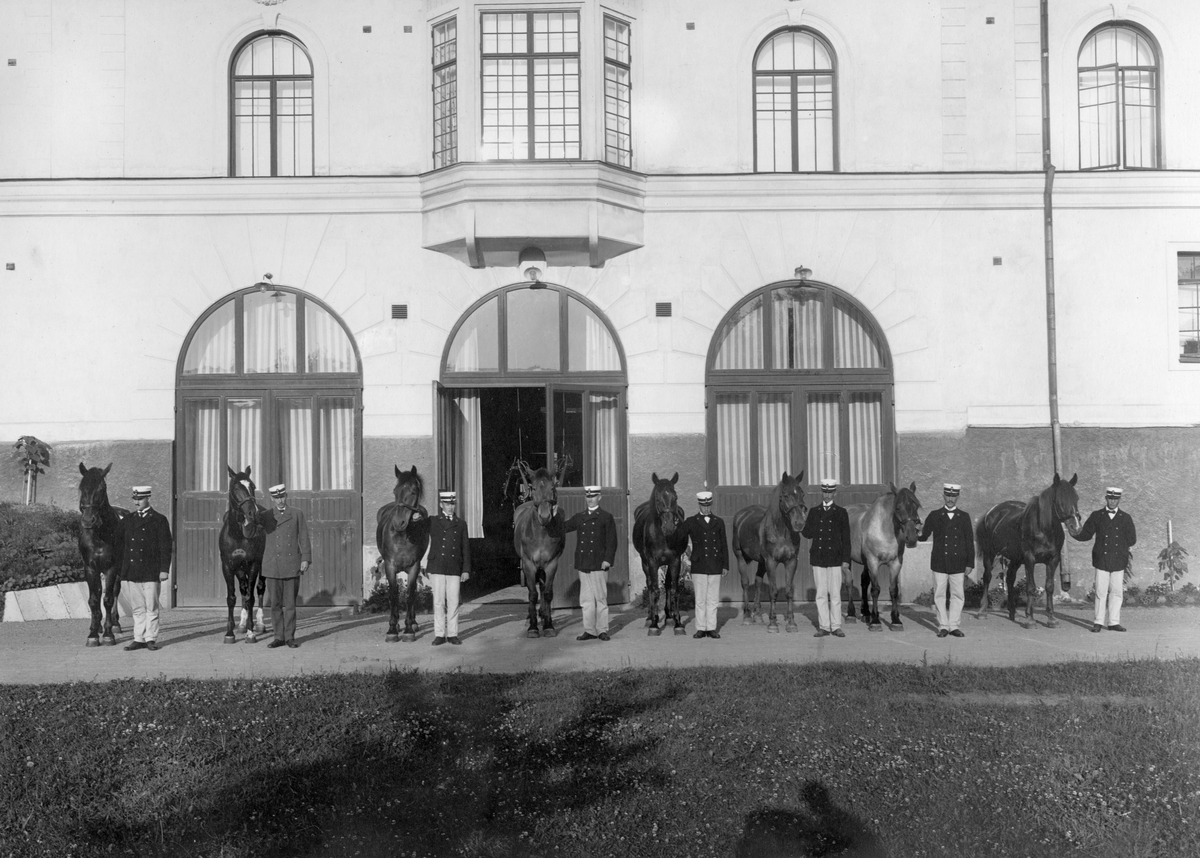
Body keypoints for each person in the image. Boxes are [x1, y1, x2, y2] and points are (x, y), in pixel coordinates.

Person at [1072, 487, 1136, 632]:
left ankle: (1113, 622)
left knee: (1117, 592)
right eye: (1110, 499)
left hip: (1119, 559)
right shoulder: (1097, 515)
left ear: (1119, 500)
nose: (1112, 502)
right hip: (1101, 559)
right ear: (1106, 499)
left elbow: (1132, 539)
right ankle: (1098, 622)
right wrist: (1074, 533)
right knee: (1100, 592)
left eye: (1115, 499)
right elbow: (1086, 534)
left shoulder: (1126, 518)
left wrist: (1120, 547)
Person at [119, 486, 172, 651]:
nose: (137, 502)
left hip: (151, 570)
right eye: (135, 499)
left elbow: (166, 546)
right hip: (133, 570)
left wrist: (164, 569)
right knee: (137, 608)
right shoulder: (128, 520)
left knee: (151, 607)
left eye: (140, 499)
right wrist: (122, 569)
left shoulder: (159, 519)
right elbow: (120, 545)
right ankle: (139, 638)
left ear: (148, 498)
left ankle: (150, 638)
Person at [918, 483, 975, 638]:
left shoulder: (964, 516)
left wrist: (970, 563)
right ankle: (943, 626)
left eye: (953, 496)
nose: (950, 499)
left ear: (958, 497)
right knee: (939, 595)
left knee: (958, 595)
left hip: (958, 561)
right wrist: (916, 530)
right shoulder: (934, 515)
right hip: (939, 561)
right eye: (948, 496)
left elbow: (969, 541)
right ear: (943, 496)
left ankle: (954, 626)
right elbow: (924, 536)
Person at [563, 485, 618, 641]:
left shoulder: (606, 517)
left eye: (593, 496)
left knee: (600, 599)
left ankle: (602, 630)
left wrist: (607, 560)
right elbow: (563, 527)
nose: (590, 499)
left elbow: (612, 541)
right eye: (588, 496)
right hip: (583, 564)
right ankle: (590, 630)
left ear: (599, 497)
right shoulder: (580, 517)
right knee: (586, 600)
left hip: (599, 564)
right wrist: (553, 515)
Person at [260, 483, 311, 649]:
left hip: (291, 564)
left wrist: (305, 558)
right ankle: (278, 637)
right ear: (272, 499)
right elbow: (252, 530)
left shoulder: (296, 513)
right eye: (276, 498)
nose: (280, 500)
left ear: (286, 496)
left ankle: (289, 637)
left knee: (290, 604)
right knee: (275, 604)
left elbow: (304, 537)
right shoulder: (266, 516)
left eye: (282, 497)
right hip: (272, 565)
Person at [802, 478, 851, 638]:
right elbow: (807, 534)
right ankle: (824, 626)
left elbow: (846, 539)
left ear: (834, 493)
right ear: (821, 492)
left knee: (835, 594)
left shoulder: (841, 512)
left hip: (835, 558)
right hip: (819, 558)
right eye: (825, 492)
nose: (827, 495)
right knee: (821, 594)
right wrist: (803, 522)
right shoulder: (814, 512)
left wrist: (846, 560)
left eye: (830, 492)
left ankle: (836, 626)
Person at [682, 490, 729, 639]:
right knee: (700, 599)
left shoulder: (719, 522)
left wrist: (725, 565)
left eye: (709, 506)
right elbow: (680, 536)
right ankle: (701, 628)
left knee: (713, 599)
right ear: (699, 505)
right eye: (704, 506)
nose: (707, 508)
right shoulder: (691, 521)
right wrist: (687, 554)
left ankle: (711, 628)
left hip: (715, 564)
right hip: (699, 565)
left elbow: (724, 544)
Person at [426, 490, 471, 646]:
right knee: (438, 602)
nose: (450, 507)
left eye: (452, 504)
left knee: (453, 602)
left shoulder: (461, 524)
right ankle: (439, 634)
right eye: (447, 504)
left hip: (454, 567)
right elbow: (417, 528)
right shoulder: (433, 521)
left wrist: (466, 569)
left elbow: (465, 548)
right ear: (441, 505)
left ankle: (452, 634)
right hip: (437, 566)